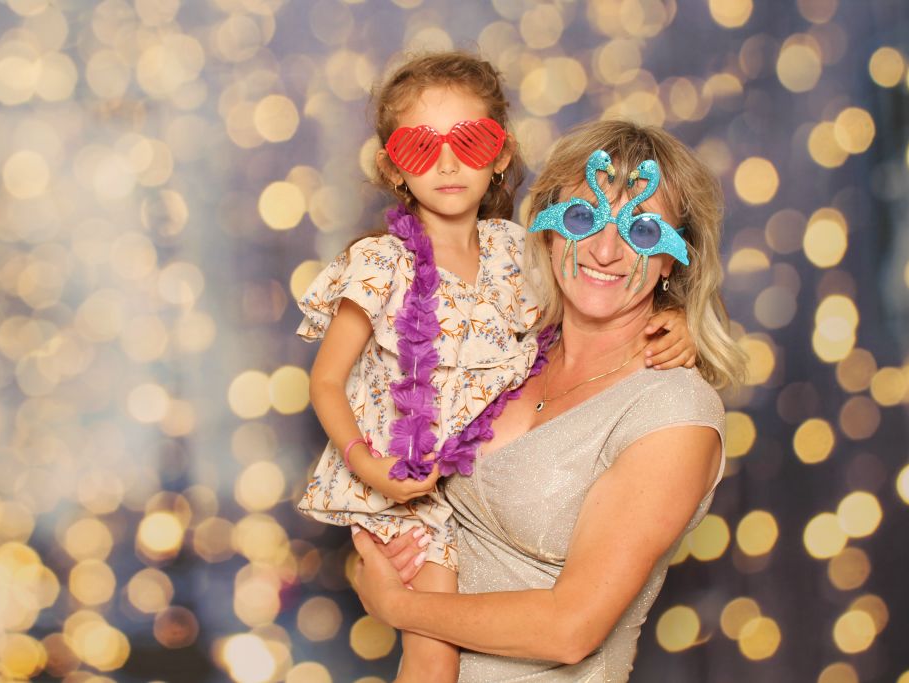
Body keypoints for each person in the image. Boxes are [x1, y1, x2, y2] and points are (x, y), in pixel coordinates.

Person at [297, 53, 696, 683]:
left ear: (501, 154)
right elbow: (325, 379)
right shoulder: (380, 263)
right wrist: (367, 465)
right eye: (421, 147)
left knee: (431, 647)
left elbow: (599, 289)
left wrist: (675, 317)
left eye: (471, 142)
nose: (447, 164)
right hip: (401, 481)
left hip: (454, 483)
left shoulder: (515, 253)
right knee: (431, 661)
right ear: (393, 166)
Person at [350, 119, 747, 681]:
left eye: (641, 232)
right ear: (548, 228)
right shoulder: (505, 351)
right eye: (584, 218)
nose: (605, 251)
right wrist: (386, 557)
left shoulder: (674, 412)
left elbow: (570, 629)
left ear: (673, 259)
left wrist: (394, 605)